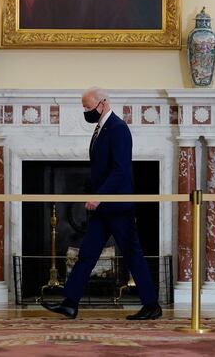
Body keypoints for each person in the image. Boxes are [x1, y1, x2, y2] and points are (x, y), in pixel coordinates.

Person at [42, 87, 162, 321]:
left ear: (103, 103)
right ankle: (70, 303)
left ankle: (151, 305)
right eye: (84, 107)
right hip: (104, 207)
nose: (85, 111)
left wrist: (99, 196)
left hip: (117, 205)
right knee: (87, 254)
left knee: (132, 254)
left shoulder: (118, 129)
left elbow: (120, 171)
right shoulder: (102, 128)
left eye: (88, 107)